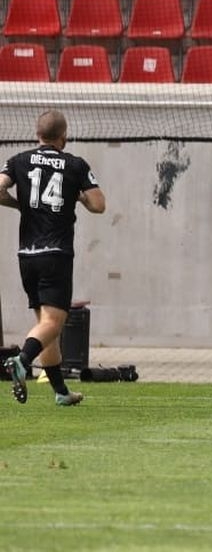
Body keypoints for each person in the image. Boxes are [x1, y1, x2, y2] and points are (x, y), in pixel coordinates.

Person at [0, 111, 107, 409]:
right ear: (64, 136)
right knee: (53, 322)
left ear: (38, 134)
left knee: (45, 324)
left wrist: (20, 205)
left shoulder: (18, 160)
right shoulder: (75, 164)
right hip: (55, 254)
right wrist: (80, 197)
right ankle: (21, 361)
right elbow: (99, 205)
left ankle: (60, 391)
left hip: (26, 255)